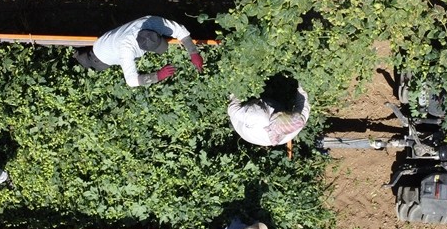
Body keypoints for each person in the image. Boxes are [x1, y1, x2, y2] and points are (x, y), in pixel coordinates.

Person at [74, 15, 204, 87]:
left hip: (109, 39)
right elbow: (131, 81)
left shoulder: (151, 22)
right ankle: (76, 56)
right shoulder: (126, 49)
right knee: (87, 62)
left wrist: (193, 52)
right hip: (100, 57)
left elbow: (180, 31)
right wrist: (158, 76)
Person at [228, 84, 310, 147]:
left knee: (262, 104)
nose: (281, 112)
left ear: (276, 116)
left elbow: (232, 110)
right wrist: (302, 85)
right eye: (287, 112)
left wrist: (238, 90)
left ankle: (256, 98)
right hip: (262, 118)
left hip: (241, 121)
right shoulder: (295, 123)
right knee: (278, 102)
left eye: (281, 113)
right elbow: (303, 103)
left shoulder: (258, 118)